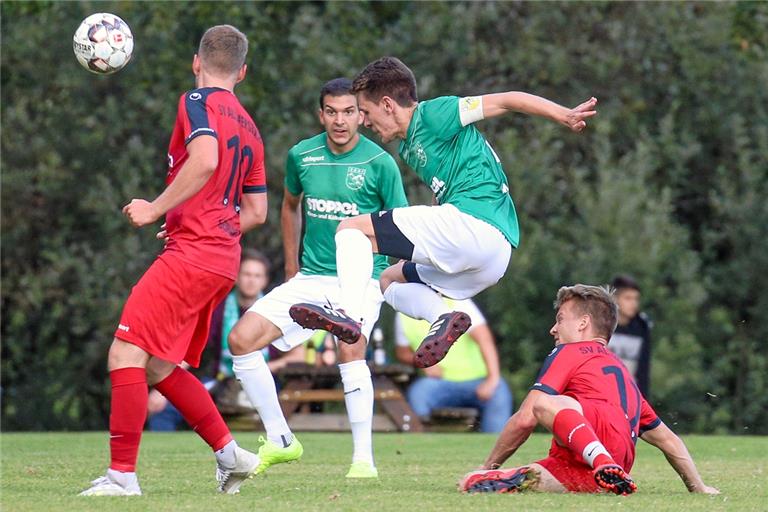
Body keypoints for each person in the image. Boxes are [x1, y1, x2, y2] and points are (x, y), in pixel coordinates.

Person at [289, 57, 597, 371]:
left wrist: (564, 114)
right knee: (389, 279)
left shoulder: (433, 115)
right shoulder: (409, 148)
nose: (365, 123)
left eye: (365, 112)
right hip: (492, 258)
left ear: (387, 105)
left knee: (350, 230)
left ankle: (348, 315)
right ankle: (442, 318)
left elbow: (507, 100)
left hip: (473, 224)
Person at [81, 25, 268, 496]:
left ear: (196, 63)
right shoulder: (250, 125)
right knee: (160, 367)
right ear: (242, 72)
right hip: (222, 259)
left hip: (193, 255)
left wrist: (155, 208)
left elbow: (203, 160)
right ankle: (231, 454)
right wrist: (203, 223)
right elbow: (257, 212)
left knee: (125, 352)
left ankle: (122, 477)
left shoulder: (196, 101)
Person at [226, 78, 408, 479]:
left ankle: (363, 461)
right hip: (310, 277)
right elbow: (290, 207)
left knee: (350, 348)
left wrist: (384, 276)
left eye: (348, 112)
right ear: (320, 114)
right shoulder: (301, 156)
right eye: (331, 112)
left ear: (361, 115)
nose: (340, 121)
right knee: (240, 341)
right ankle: (281, 439)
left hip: (361, 280)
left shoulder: (380, 163)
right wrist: (292, 268)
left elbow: (403, 226)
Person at [458, 284, 719, 496]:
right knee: (488, 482)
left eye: (560, 319)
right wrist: (698, 487)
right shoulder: (623, 374)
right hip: (596, 471)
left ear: (583, 323)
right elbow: (668, 440)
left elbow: (526, 418)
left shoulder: (568, 351)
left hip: (598, 454)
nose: (553, 329)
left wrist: (487, 464)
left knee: (545, 403)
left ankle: (601, 461)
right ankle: (594, 471)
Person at [146, 250, 304, 430]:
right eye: (247, 274)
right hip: (221, 381)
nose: (251, 280)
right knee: (165, 409)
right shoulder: (217, 309)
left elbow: (299, 356)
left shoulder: (276, 310)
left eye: (257, 275)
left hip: (265, 382)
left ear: (265, 280)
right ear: (237, 277)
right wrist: (163, 387)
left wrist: (264, 369)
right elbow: (190, 350)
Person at [394, 298, 513, 432]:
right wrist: (424, 363)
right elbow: (402, 353)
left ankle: (495, 444)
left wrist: (492, 379)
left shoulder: (458, 300)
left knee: (499, 391)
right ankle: (424, 441)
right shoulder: (404, 313)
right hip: (439, 383)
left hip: (478, 381)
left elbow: (484, 339)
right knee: (419, 392)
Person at [608, 275, 652, 397]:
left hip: (628, 394)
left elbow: (643, 369)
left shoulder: (642, 327)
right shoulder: (602, 324)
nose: (633, 303)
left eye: (636, 299)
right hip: (602, 391)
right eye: (627, 298)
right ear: (614, 299)